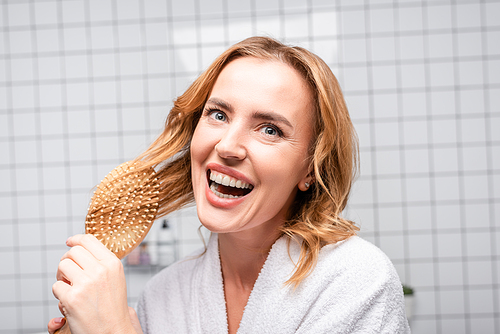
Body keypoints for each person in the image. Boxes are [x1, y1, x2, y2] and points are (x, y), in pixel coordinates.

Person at [49, 36, 410, 334]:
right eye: (218, 114)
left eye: (270, 129)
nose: (226, 146)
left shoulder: (357, 281)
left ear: (310, 170)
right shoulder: (164, 295)